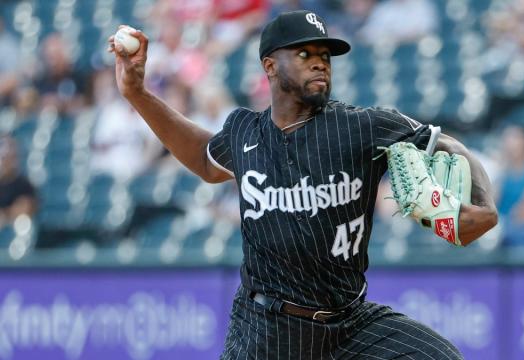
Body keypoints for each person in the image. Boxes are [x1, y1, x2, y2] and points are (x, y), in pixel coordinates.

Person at [109, 10, 497, 359]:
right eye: (304, 54)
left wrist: (482, 204)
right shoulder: (245, 132)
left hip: (351, 323)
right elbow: (203, 159)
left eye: (324, 56)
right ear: (270, 66)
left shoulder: (362, 127)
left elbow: (446, 144)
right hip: (267, 330)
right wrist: (138, 94)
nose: (319, 64)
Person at [0, 136, 37, 229]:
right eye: (4, 157)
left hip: (15, 232)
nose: (7, 161)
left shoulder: (24, 185)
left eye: (11, 157)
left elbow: (25, 209)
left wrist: (4, 215)